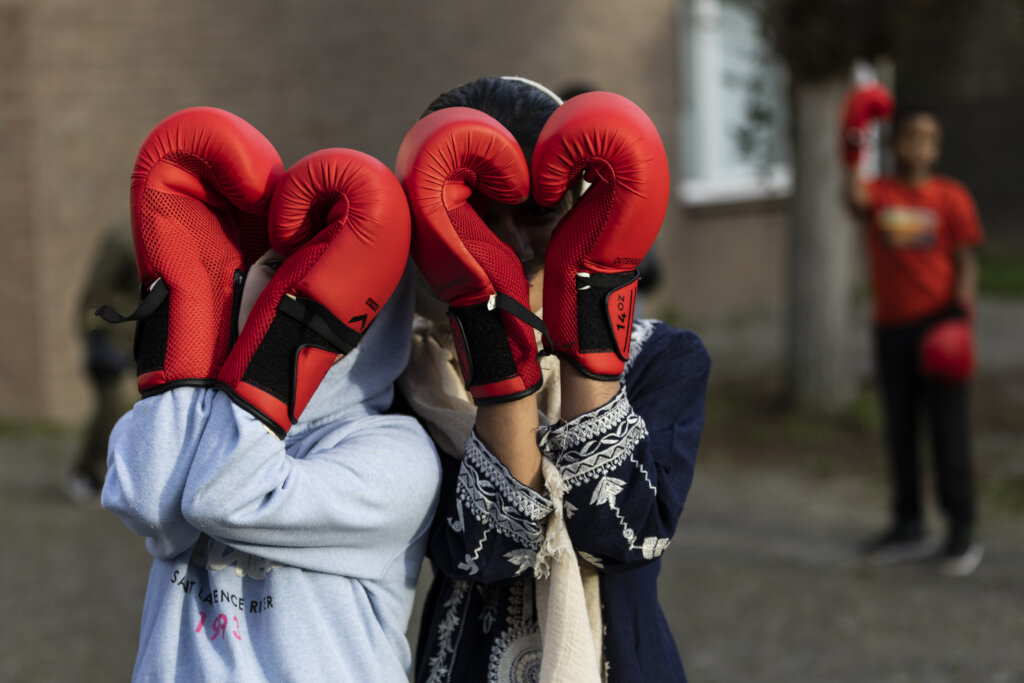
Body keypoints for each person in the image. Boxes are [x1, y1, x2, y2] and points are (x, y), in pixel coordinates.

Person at [102, 107, 440, 680]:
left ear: (373, 309)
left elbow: (226, 498)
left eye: (311, 282)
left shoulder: (399, 454)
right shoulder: (193, 412)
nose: (289, 289)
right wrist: (185, 324)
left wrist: (289, 338)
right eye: (276, 266)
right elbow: (147, 502)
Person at [393, 76, 710, 682]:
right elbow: (490, 552)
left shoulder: (664, 358)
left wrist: (588, 313)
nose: (514, 245)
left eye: (538, 213)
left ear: (579, 204)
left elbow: (618, 537)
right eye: (481, 218)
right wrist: (492, 332)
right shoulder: (411, 376)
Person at [844, 89, 985, 577]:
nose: (919, 147)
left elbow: (967, 261)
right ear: (895, 143)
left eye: (929, 139)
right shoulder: (880, 193)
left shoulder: (951, 197)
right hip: (893, 331)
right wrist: (853, 138)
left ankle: (962, 531)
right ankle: (908, 524)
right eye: (910, 137)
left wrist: (959, 316)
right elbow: (852, 197)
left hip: (940, 327)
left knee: (950, 433)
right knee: (900, 430)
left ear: (938, 146)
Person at [65, 225, 137, 505]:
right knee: (113, 408)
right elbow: (95, 293)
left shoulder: (178, 233)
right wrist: (97, 339)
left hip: (149, 339)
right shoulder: (124, 239)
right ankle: (89, 472)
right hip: (114, 338)